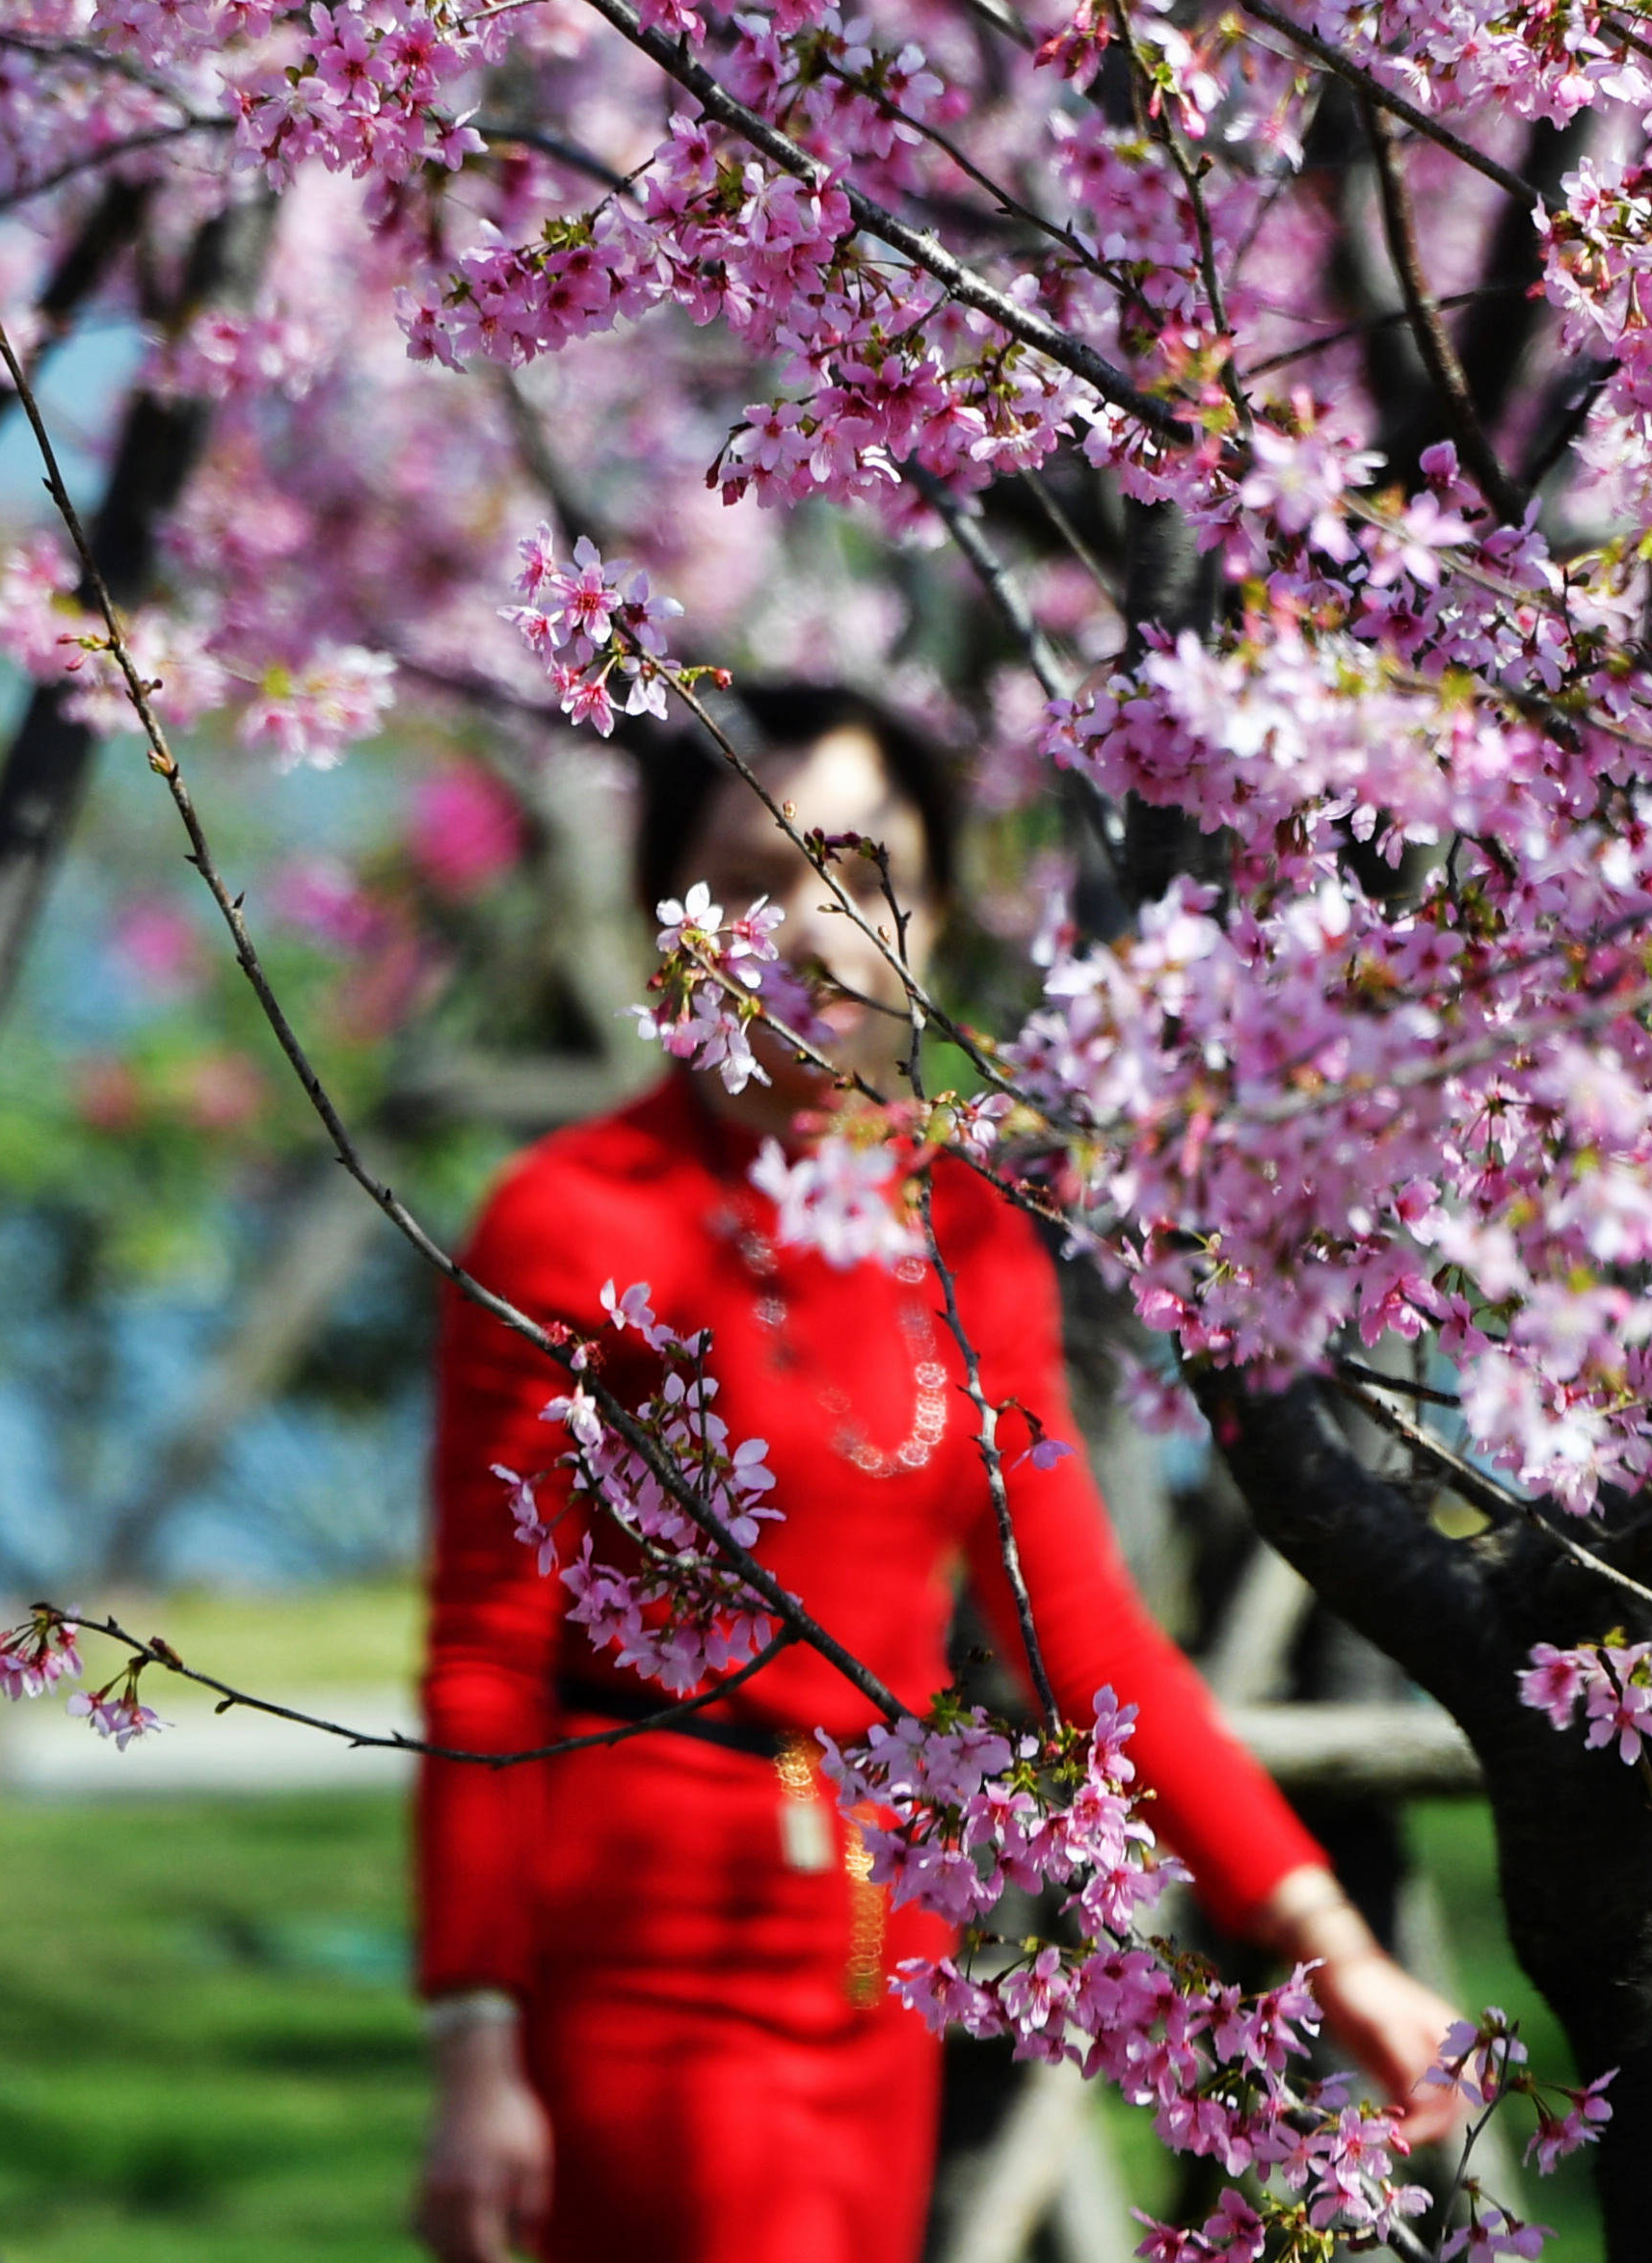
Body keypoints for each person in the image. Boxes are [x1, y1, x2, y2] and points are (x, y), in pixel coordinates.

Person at [411, 687, 1469, 2263]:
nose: (813, 925)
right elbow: (489, 1656)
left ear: (937, 902)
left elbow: (1082, 1641)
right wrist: (475, 2044)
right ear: (672, 916)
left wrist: (1326, 1939)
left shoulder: (964, 1226)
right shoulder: (572, 1217)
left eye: (862, 867)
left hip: (874, 1945)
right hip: (643, 1947)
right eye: (756, 877)